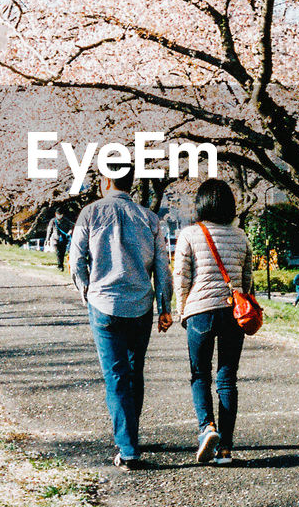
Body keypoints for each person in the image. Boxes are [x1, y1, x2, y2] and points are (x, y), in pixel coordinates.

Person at [70, 167, 173, 470]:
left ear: (107, 182)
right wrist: (165, 306)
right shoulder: (150, 218)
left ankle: (127, 448)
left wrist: (86, 290)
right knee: (133, 371)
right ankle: (131, 434)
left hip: (103, 303)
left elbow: (76, 260)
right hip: (141, 303)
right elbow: (162, 268)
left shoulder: (89, 213)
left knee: (115, 374)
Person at [173, 178, 252, 466]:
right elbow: (247, 280)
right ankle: (226, 449)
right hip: (233, 312)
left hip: (200, 312)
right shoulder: (240, 236)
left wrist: (183, 310)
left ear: (201, 205)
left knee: (200, 374)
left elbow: (181, 277)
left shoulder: (190, 234)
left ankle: (207, 428)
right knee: (227, 378)